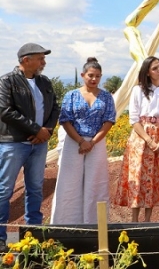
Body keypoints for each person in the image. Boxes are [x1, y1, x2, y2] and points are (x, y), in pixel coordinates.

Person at [0, 43, 59, 253]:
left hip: (39, 145)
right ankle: (0, 237)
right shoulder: (7, 81)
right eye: (40, 58)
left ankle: (33, 233)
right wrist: (35, 129)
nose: (44, 62)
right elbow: (5, 111)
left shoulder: (45, 82)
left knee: (35, 189)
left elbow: (54, 108)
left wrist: (47, 130)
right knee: (4, 190)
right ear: (26, 60)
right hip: (13, 143)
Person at [50, 57, 116, 224]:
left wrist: (92, 142)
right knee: (68, 184)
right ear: (83, 75)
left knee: (97, 184)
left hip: (97, 143)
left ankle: (95, 226)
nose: (94, 79)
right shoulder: (71, 95)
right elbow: (65, 120)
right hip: (73, 142)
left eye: (98, 76)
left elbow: (109, 121)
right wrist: (81, 141)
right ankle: (64, 225)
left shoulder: (107, 97)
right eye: (91, 75)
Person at [114, 56, 159, 222]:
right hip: (141, 136)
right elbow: (133, 119)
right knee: (138, 175)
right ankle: (134, 219)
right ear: (148, 73)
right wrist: (148, 140)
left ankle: (148, 219)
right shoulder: (138, 91)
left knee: (156, 176)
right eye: (155, 68)